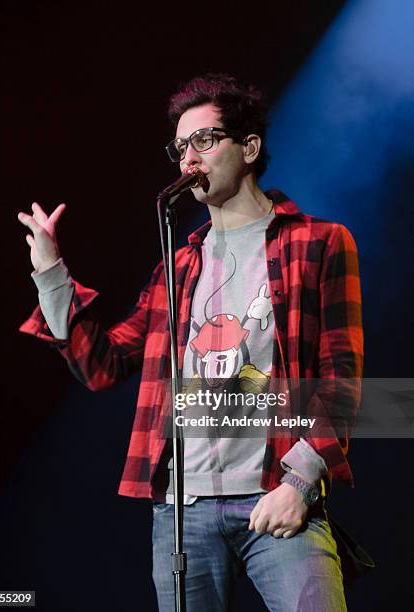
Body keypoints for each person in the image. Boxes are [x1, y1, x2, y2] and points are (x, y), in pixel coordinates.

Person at [18, 74, 363, 611]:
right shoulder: (177, 267)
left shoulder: (318, 243)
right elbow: (102, 365)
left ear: (248, 148)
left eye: (204, 141)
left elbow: (342, 374)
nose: (188, 159)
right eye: (180, 147)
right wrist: (50, 273)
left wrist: (301, 480)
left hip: (277, 490)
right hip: (184, 511)